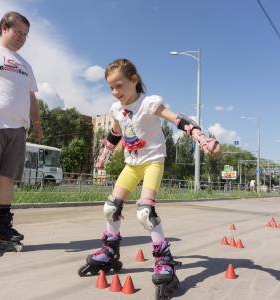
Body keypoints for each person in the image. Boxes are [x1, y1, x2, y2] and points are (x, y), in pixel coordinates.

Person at [80, 58, 221, 290]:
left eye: (120, 85)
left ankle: (164, 259)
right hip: (131, 164)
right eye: (111, 88)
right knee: (111, 207)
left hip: (153, 162)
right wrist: (104, 155)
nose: (115, 92)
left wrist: (201, 138)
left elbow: (179, 121)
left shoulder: (150, 104)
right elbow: (115, 135)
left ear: (134, 80)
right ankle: (110, 250)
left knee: (145, 212)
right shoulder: (117, 109)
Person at [0, 11, 43, 249]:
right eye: (18, 31)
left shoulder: (25, 65)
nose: (22, 38)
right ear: (3, 28)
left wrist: (36, 124)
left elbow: (31, 97)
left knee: (8, 178)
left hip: (18, 128)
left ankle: (2, 226)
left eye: (26, 35)